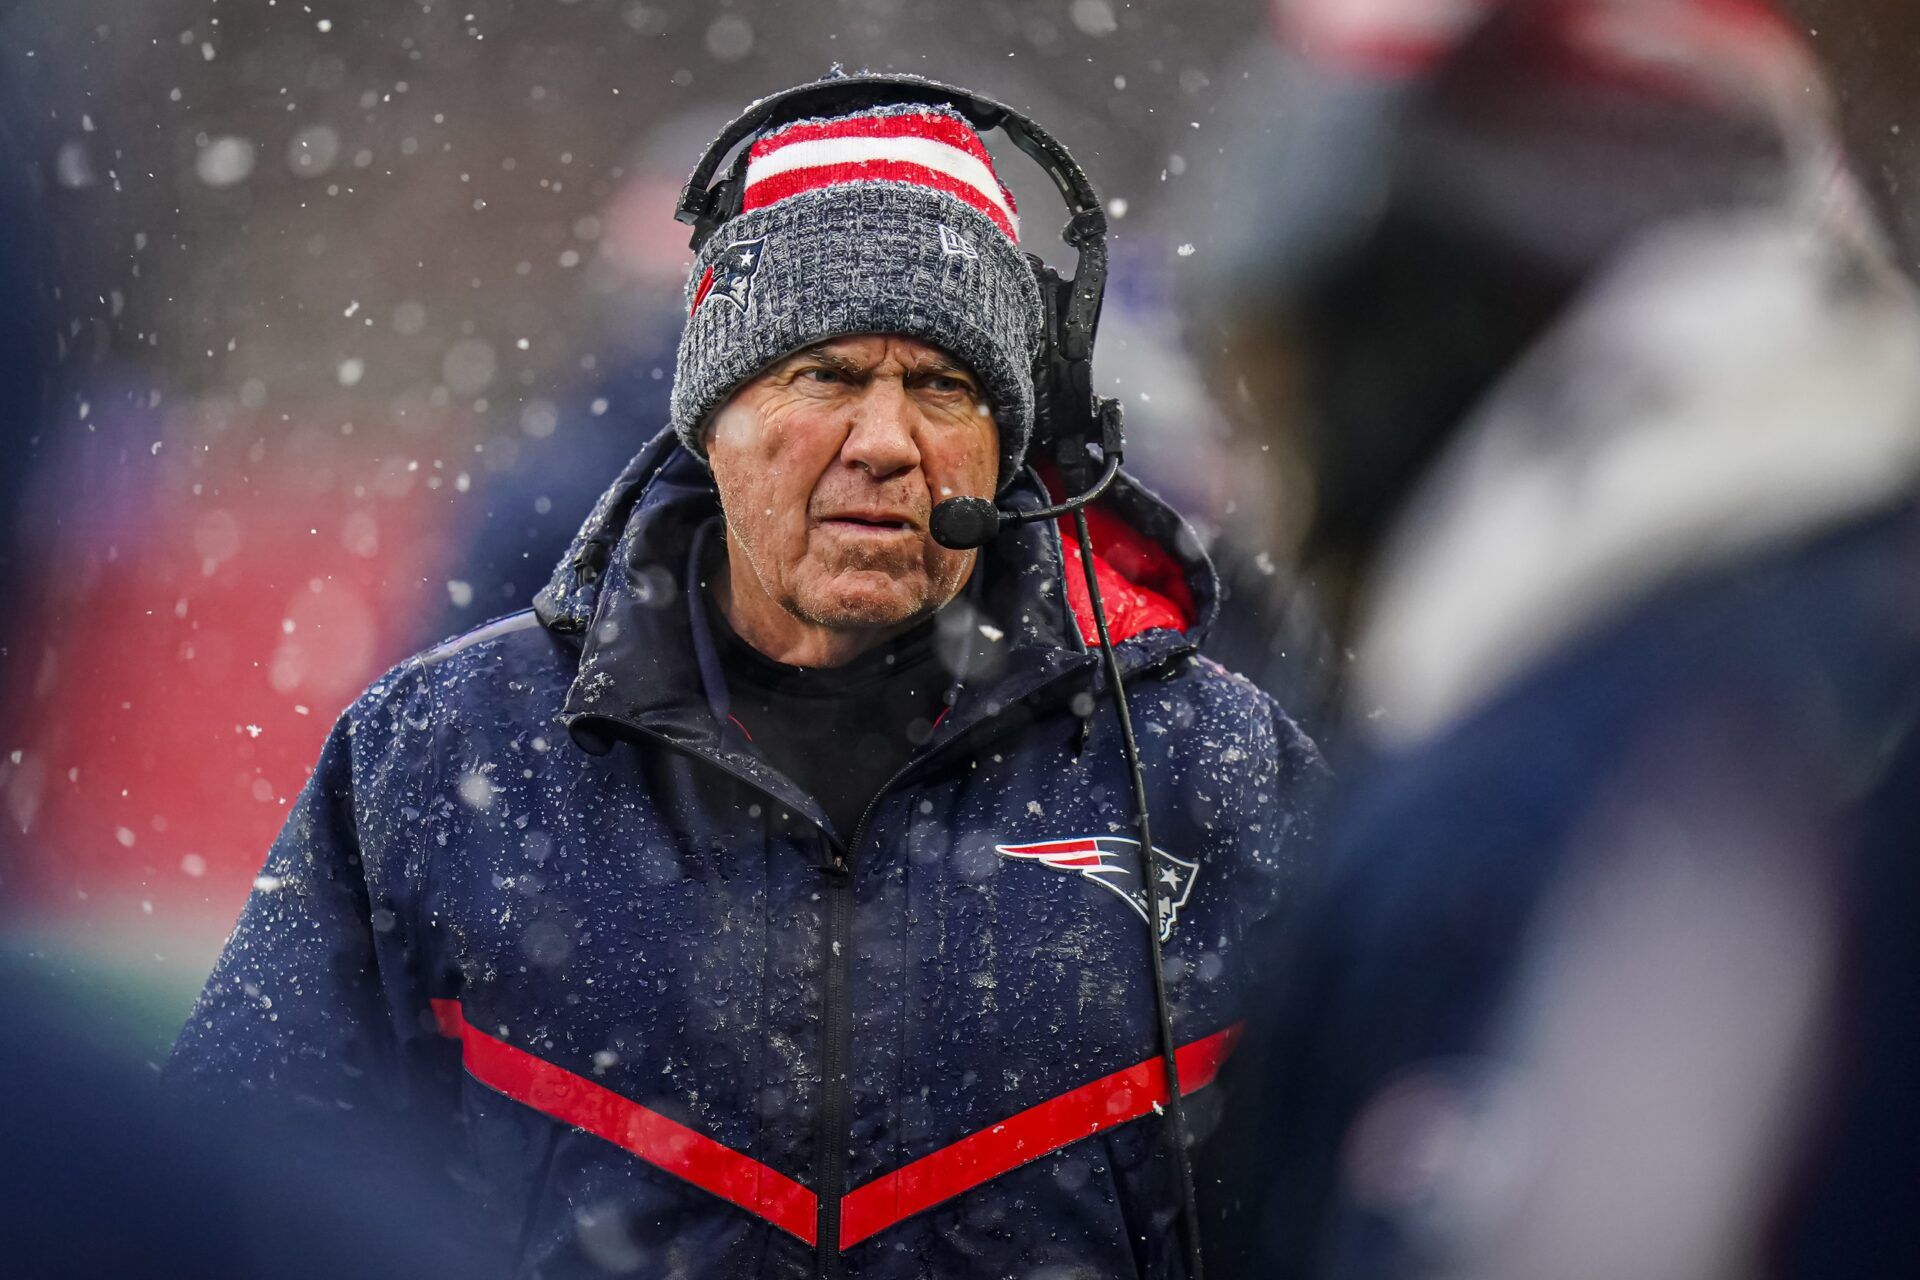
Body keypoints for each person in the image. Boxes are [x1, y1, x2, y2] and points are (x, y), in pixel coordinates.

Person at [169, 79, 1324, 1280]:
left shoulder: (1215, 768)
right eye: (825, 374)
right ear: (712, 417)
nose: (886, 439)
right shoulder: (438, 751)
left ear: (1007, 438)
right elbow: (224, 1193)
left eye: (943, 385)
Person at [1200, 1, 1920, 1277]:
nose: (1274, 476)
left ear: (1411, 322)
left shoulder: (1573, 793)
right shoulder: (1820, 624)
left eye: (1278, 376)